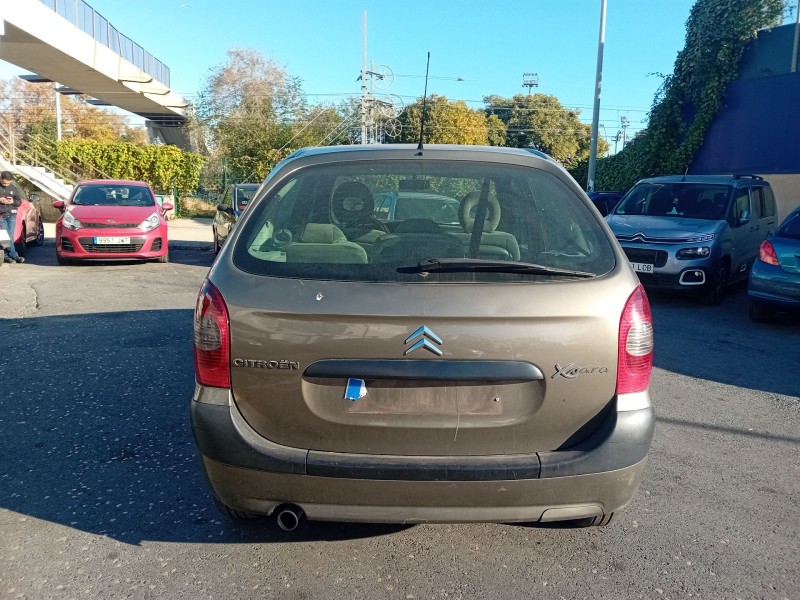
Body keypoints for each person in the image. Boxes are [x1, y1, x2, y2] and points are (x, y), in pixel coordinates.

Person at [0, 170, 25, 263]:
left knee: (10, 235)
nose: (6, 185)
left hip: (11, 214)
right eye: (4, 183)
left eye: (8, 183)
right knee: (4, 236)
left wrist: (12, 201)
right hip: (1, 214)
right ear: (1, 178)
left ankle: (10, 255)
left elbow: (19, 201)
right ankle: (11, 255)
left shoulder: (14, 188)